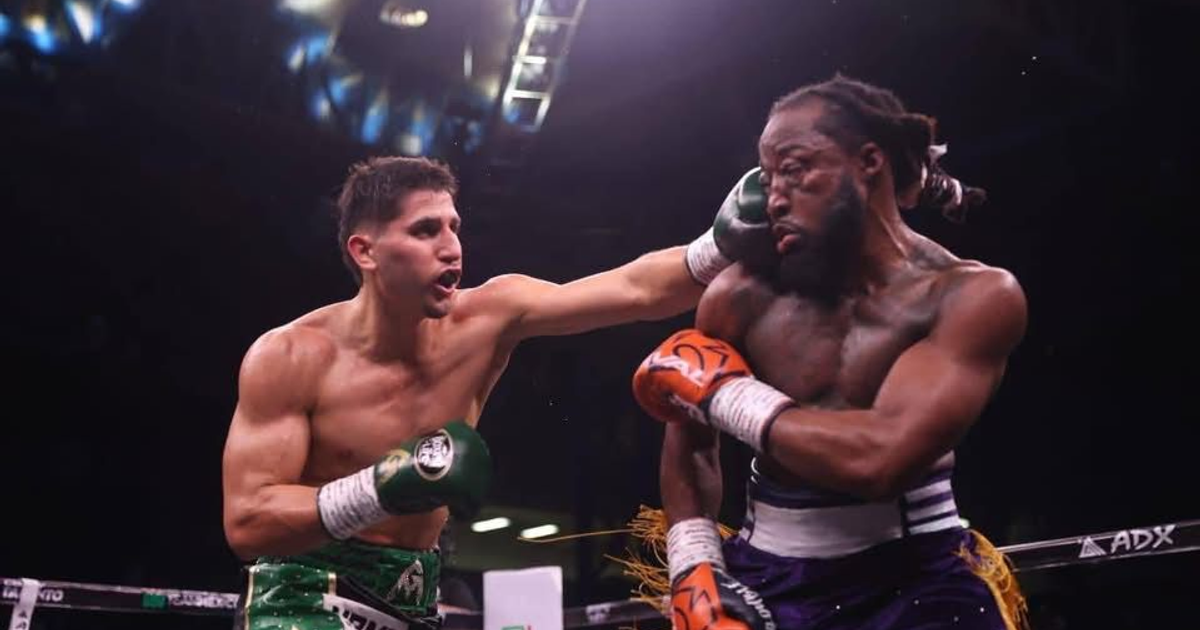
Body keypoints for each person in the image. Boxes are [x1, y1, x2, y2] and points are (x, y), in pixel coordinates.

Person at [221, 155, 731, 630]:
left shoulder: (488, 319)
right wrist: (378, 489)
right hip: (302, 595)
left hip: (413, 594)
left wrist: (725, 244)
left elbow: (635, 289)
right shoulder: (291, 356)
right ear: (365, 251)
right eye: (425, 230)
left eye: (453, 227)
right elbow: (248, 523)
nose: (451, 248)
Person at [630, 74, 1031, 630]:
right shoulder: (741, 295)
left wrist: (725, 394)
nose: (773, 198)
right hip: (766, 577)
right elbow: (691, 441)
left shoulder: (970, 296)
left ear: (869, 163)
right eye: (767, 178)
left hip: (919, 580)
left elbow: (880, 461)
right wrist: (694, 566)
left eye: (794, 171)